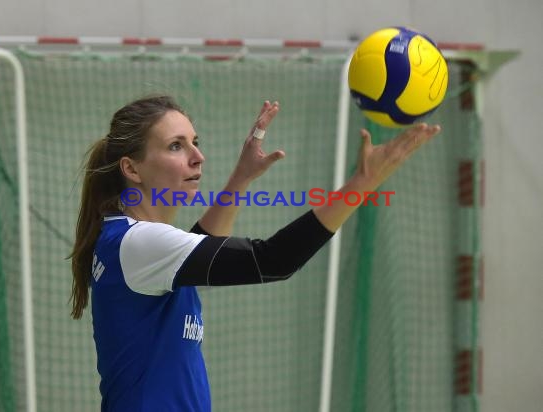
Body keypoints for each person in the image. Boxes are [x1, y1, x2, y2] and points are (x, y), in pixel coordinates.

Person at [69, 95, 440, 411]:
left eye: (195, 141)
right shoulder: (140, 243)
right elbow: (274, 260)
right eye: (176, 145)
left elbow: (203, 247)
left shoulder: (131, 241)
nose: (198, 156)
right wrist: (363, 183)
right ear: (132, 168)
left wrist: (241, 177)